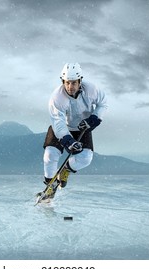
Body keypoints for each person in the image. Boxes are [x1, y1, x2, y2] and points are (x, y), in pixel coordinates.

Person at [40, 62, 108, 200]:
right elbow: (57, 122)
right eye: (67, 83)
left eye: (73, 83)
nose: (70, 87)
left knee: (86, 158)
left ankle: (65, 170)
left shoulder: (92, 89)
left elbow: (103, 103)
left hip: (83, 127)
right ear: (63, 81)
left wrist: (95, 118)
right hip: (62, 127)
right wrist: (67, 140)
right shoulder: (56, 98)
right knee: (49, 155)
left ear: (80, 81)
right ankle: (50, 186)